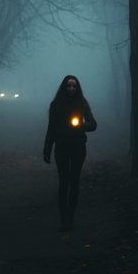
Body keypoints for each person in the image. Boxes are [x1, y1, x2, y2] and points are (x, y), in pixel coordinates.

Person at [42, 75, 97, 231]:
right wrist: (47, 149)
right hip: (61, 147)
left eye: (74, 86)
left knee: (74, 182)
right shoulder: (56, 104)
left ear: (77, 87)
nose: (71, 88)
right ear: (64, 87)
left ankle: (70, 218)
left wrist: (81, 126)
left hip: (78, 148)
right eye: (69, 86)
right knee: (63, 182)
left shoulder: (83, 103)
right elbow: (51, 129)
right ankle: (63, 218)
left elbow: (93, 124)